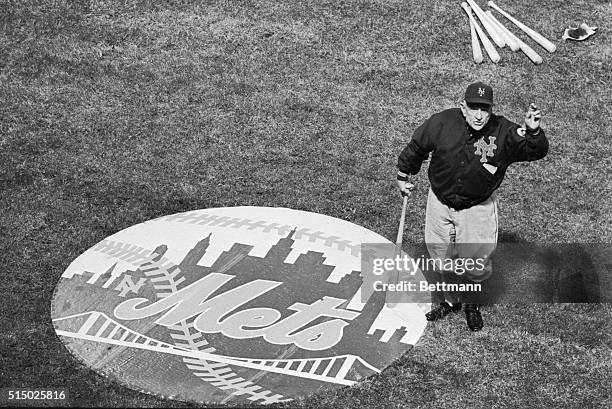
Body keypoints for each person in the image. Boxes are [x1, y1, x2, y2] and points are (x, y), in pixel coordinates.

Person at [396, 81, 549, 331]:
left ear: (491, 110)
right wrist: (403, 175)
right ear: (462, 107)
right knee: (441, 256)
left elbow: (536, 151)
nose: (479, 115)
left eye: (484, 109)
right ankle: (451, 300)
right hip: (439, 202)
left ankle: (472, 303)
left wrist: (533, 131)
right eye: (473, 108)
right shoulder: (442, 122)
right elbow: (417, 147)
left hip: (477, 208)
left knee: (475, 262)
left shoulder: (504, 132)